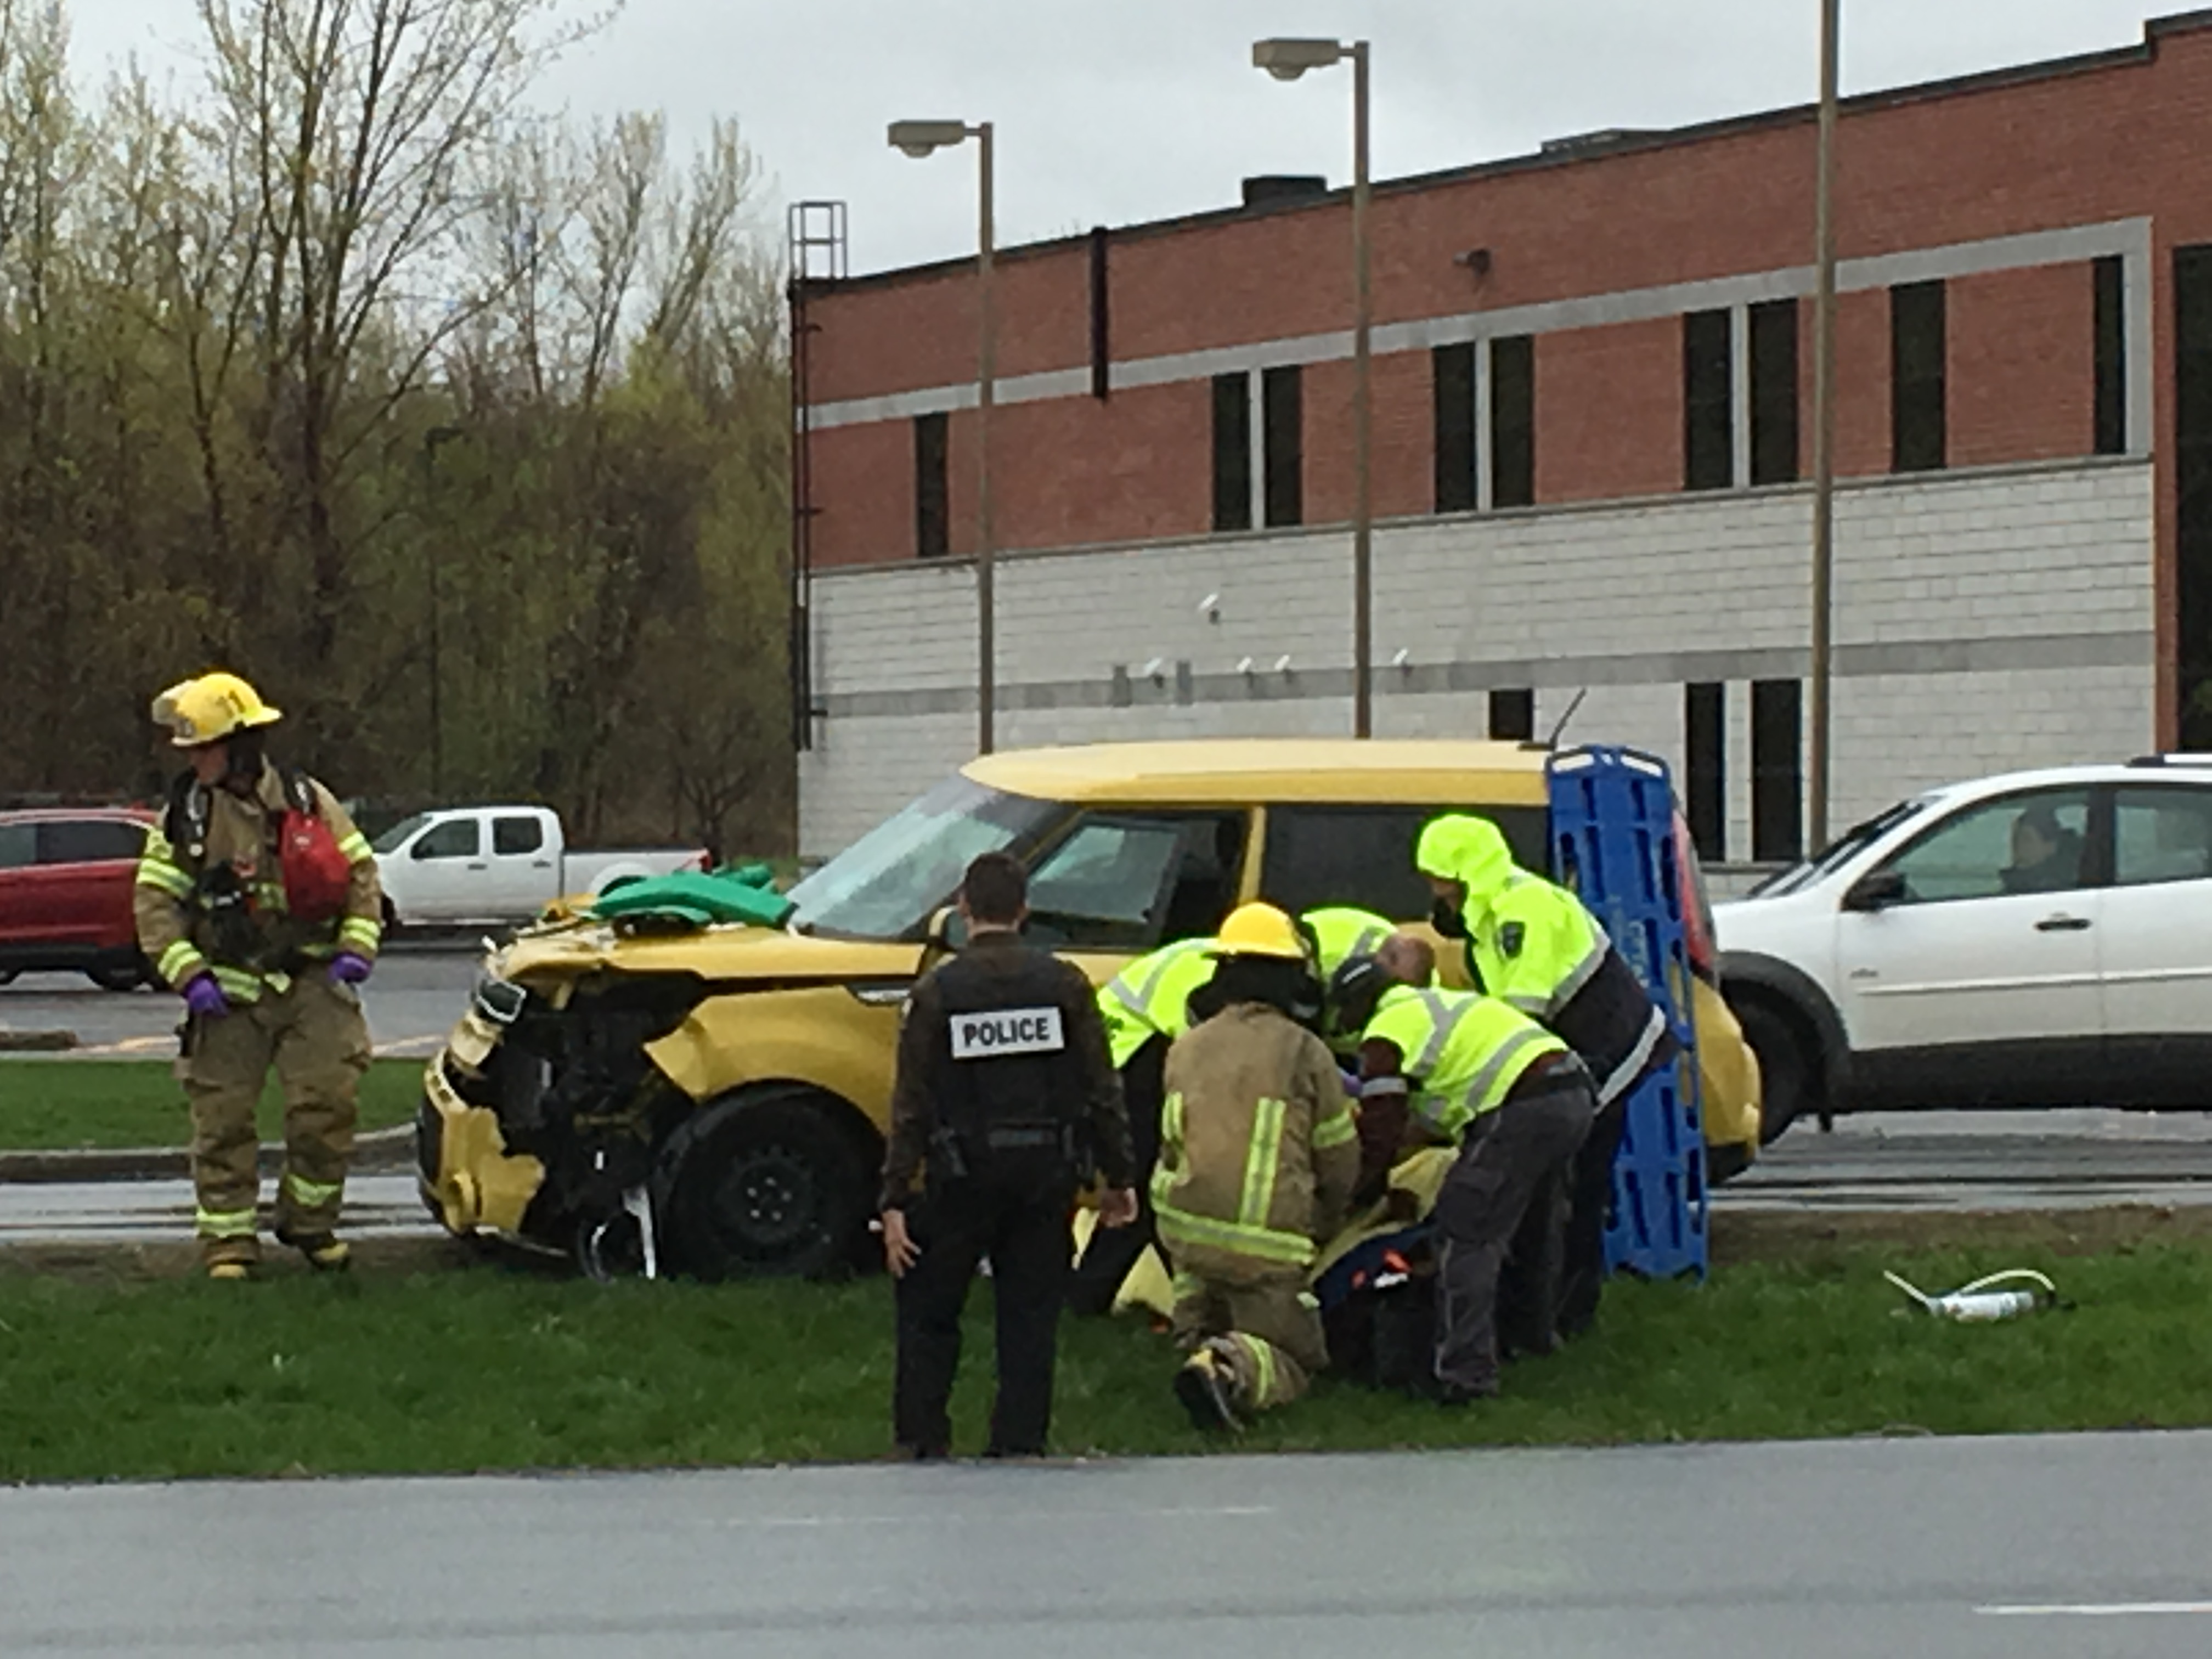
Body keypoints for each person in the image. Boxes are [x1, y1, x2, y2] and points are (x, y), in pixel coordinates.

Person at [880, 851, 1138, 1460]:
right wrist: (1117, 1176)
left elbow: (911, 1104)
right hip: (1044, 1181)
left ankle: (921, 1441)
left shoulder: (939, 991)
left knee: (929, 1317)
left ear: (965, 909)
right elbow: (1101, 1088)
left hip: (957, 1181)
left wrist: (893, 1198)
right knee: (1029, 1322)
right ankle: (1019, 1443)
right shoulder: (1065, 985)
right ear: (1025, 909)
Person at [133, 672, 385, 1280]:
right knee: (222, 1122)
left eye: (204, 747)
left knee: (327, 1105)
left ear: (242, 744)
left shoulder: (307, 800)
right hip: (228, 993)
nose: (195, 760)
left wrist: (357, 945)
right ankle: (229, 1244)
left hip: (312, 984)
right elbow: (154, 903)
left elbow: (360, 874)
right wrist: (189, 975)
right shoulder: (187, 818)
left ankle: (310, 1224)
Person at [1415, 814, 1673, 1343]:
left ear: (1466, 875)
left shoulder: (1520, 915)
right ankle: (1549, 1314)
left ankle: (1567, 1315)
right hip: (1579, 1054)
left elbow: (1518, 1019)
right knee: (1557, 1182)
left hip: (1609, 1051)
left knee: (1573, 1185)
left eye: (1440, 879)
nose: (1434, 892)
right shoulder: (1490, 919)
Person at [1353, 933, 1595, 1403]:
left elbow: (1381, 1129)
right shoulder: (1443, 1005)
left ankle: (1466, 1377)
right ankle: (1533, 1339)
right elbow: (1437, 1109)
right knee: (1535, 1227)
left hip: (1522, 1106)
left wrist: (1366, 1189)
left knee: (1466, 1233)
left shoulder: (1385, 1033)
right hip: (1572, 1091)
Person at [1150, 903, 1359, 1432]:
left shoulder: (1185, 1047)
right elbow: (1337, 1156)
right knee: (1296, 1356)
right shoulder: (1305, 1051)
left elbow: (1171, 1142)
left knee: (1205, 1300)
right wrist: (1330, 1219)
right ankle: (1228, 1368)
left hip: (1184, 1232)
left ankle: (1198, 1342)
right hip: (1266, 1245)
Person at [2001, 804, 2083, 894]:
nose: (2017, 845)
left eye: (2026, 839)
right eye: (2015, 837)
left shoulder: (2060, 887)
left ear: (2051, 847)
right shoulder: (2015, 883)